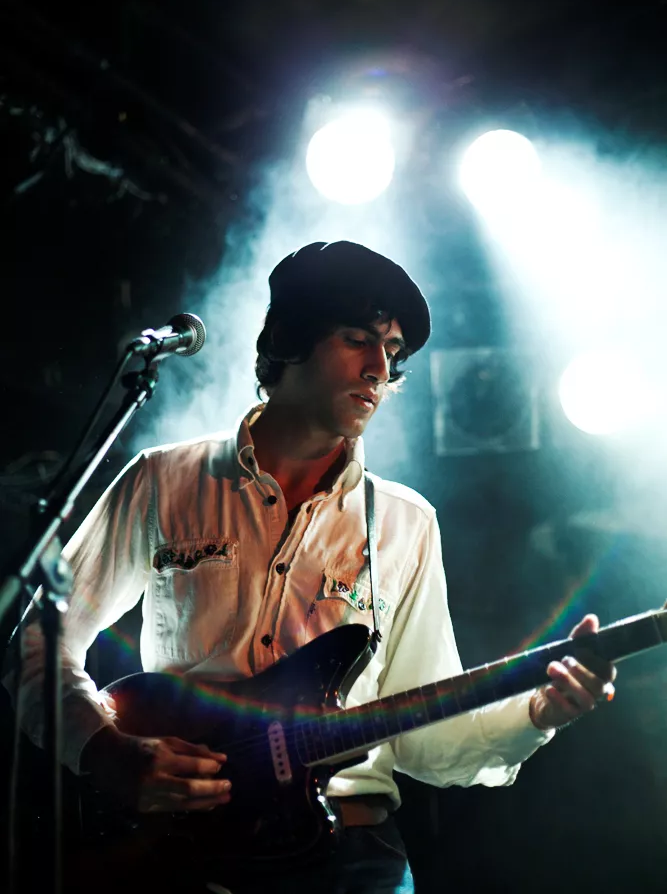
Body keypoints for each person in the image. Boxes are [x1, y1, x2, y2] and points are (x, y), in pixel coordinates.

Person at [4, 241, 616, 894]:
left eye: (394, 351)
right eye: (358, 339)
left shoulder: (405, 523)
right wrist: (102, 750)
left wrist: (537, 713)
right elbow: (38, 640)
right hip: (183, 850)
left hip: (349, 855)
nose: (380, 368)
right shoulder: (164, 479)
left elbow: (428, 745)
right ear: (289, 339)